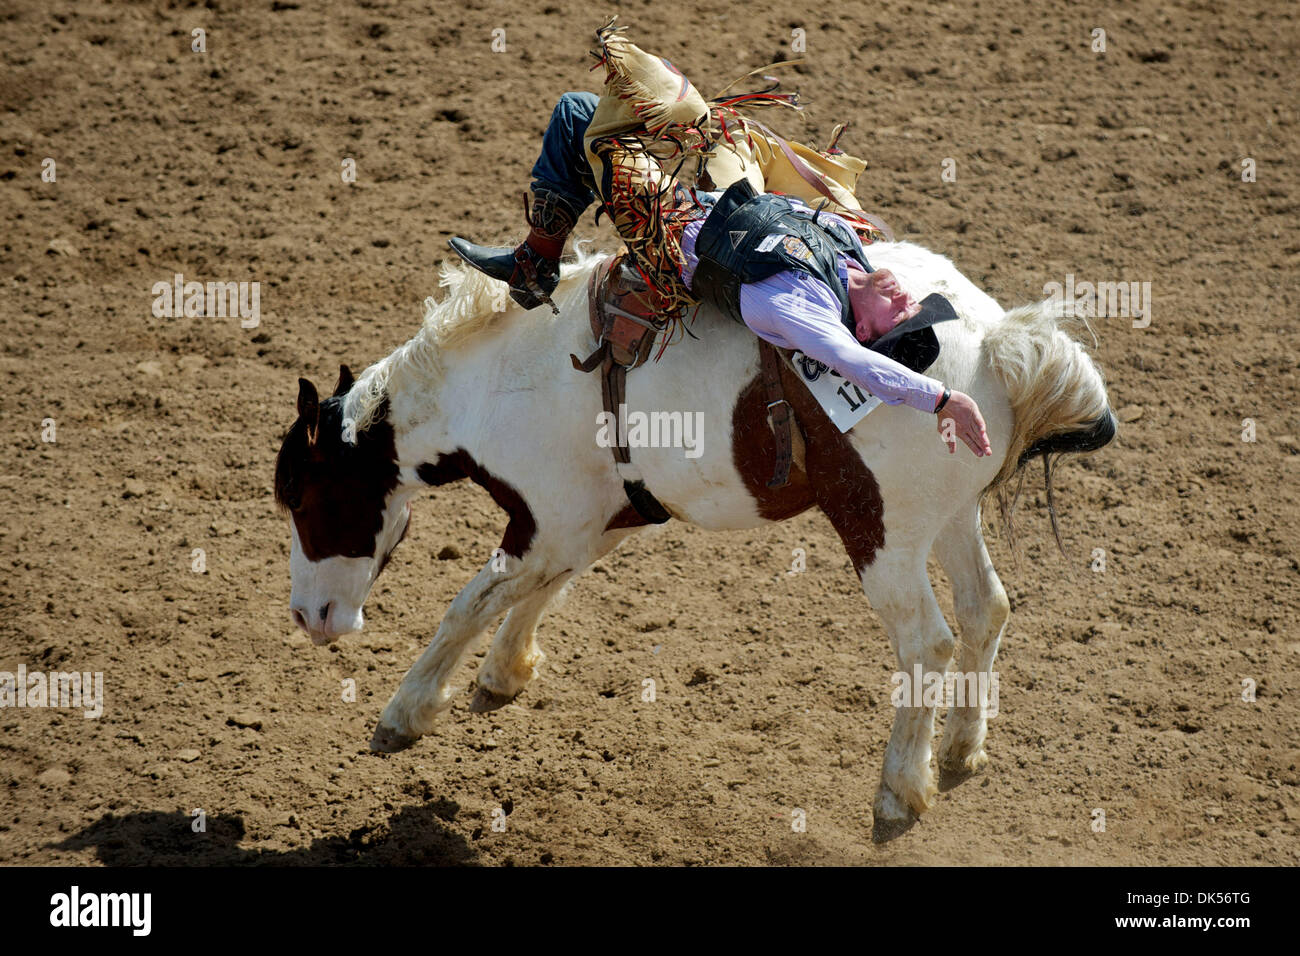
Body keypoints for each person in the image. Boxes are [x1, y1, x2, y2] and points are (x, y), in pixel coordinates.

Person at [449, 33, 990, 458]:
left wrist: (941, 399)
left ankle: (533, 265)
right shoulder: (847, 248)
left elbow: (854, 363)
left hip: (664, 231)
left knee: (576, 116)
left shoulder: (804, 307)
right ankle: (538, 256)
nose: (908, 299)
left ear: (867, 328)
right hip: (712, 198)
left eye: (901, 315)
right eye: (914, 304)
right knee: (716, 128)